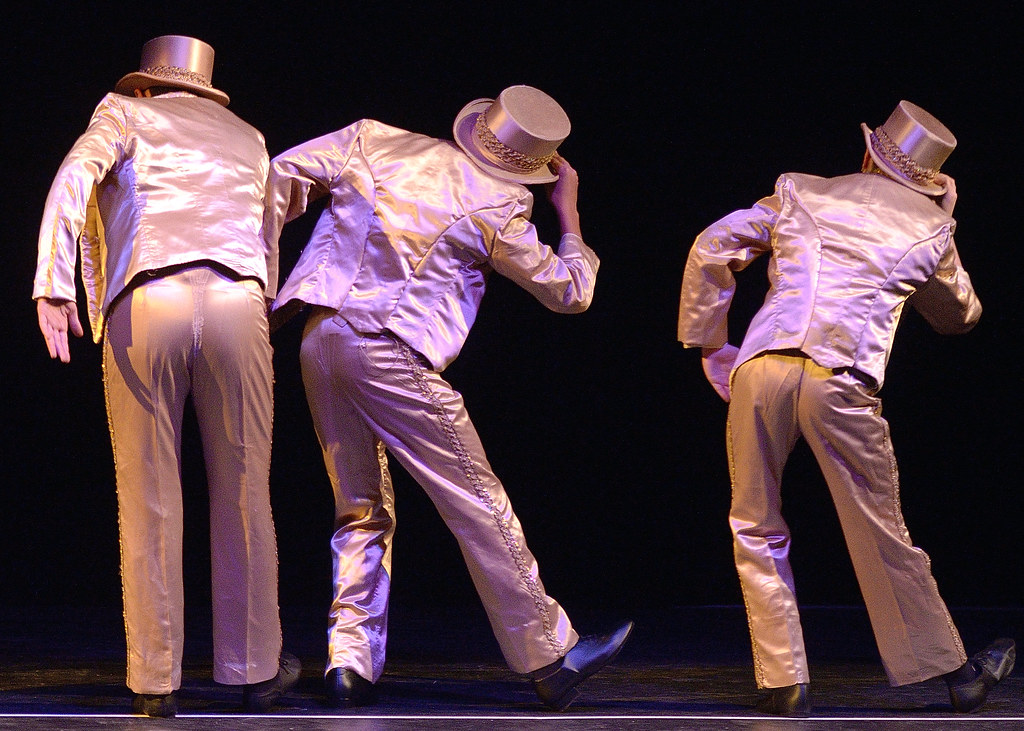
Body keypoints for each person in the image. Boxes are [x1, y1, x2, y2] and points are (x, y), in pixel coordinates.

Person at [262, 85, 632, 711]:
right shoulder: (501, 201)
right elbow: (569, 292)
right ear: (534, 167)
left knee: (360, 505)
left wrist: (265, 278)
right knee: (477, 498)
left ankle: (349, 660)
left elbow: (275, 180)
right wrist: (568, 218)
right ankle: (550, 653)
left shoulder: (372, 139)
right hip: (389, 349)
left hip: (320, 334)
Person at [677, 100, 1014, 716]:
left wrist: (712, 341)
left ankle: (783, 679)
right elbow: (959, 316)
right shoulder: (930, 229)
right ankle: (953, 671)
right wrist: (943, 224)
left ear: (868, 153)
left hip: (763, 367)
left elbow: (712, 244)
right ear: (928, 180)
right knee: (879, 529)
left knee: (755, 521)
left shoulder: (802, 191)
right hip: (840, 381)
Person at [33, 35, 299, 717]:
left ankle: (156, 679)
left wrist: (53, 280)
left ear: (147, 83)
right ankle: (252, 667)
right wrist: (259, 304)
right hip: (239, 302)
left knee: (150, 493)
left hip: (149, 299)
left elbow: (74, 177)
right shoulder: (249, 134)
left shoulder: (124, 112)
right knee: (245, 489)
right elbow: (267, 230)